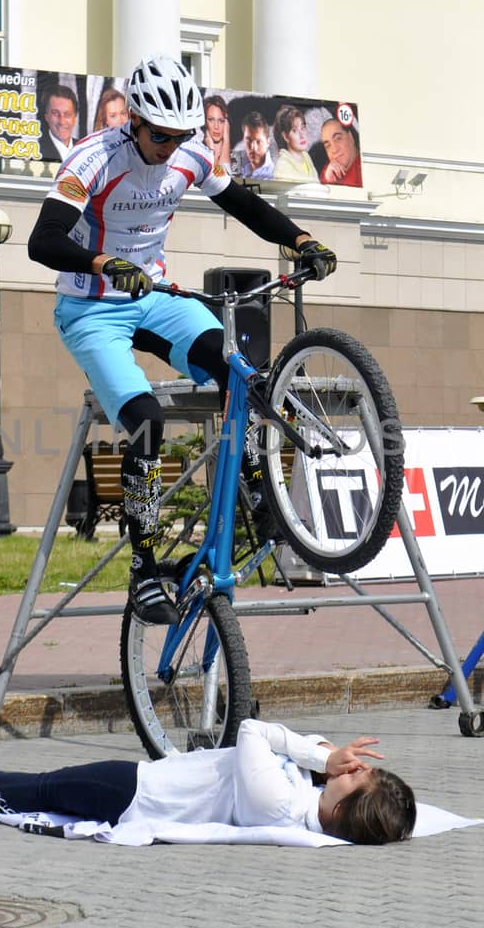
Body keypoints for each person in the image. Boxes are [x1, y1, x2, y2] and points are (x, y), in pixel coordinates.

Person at [26, 53, 338, 625]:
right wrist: (102, 261)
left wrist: (302, 239)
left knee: (239, 370)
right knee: (147, 417)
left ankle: (256, 494)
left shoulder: (191, 155)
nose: (170, 147)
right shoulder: (92, 158)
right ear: (135, 123)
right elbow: (41, 241)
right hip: (92, 306)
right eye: (160, 137)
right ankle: (143, 566)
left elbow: (243, 204)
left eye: (179, 136)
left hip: (153, 296)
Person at [0, 719, 416, 846]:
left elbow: (253, 731)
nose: (349, 769)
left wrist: (324, 755)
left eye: (354, 780)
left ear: (342, 812)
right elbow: (288, 747)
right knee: (49, 788)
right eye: (359, 767)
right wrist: (324, 760)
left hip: (137, 791)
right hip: (148, 787)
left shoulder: (279, 802)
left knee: (43, 790)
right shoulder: (307, 802)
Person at [272, 103, 315, 182]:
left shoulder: (306, 156)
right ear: (285, 137)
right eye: (295, 131)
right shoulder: (282, 167)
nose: (302, 135)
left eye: (302, 128)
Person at [39, 84, 81, 162]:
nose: (62, 121)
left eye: (67, 114)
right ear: (46, 116)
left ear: (74, 118)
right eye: (55, 113)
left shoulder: (85, 149)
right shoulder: (36, 150)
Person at [318, 117, 363, 187]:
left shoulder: (365, 169)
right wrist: (327, 180)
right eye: (328, 145)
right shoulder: (329, 170)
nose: (334, 150)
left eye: (338, 138)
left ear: (350, 137)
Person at [237, 111, 275, 180]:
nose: (253, 147)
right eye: (248, 140)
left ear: (268, 143)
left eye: (258, 141)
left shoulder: (275, 175)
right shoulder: (237, 166)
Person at [202, 93, 232, 172]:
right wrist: (212, 152)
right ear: (205, 121)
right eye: (211, 119)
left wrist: (226, 139)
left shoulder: (236, 157)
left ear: (226, 123)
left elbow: (224, 179)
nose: (216, 126)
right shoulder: (198, 153)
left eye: (221, 121)